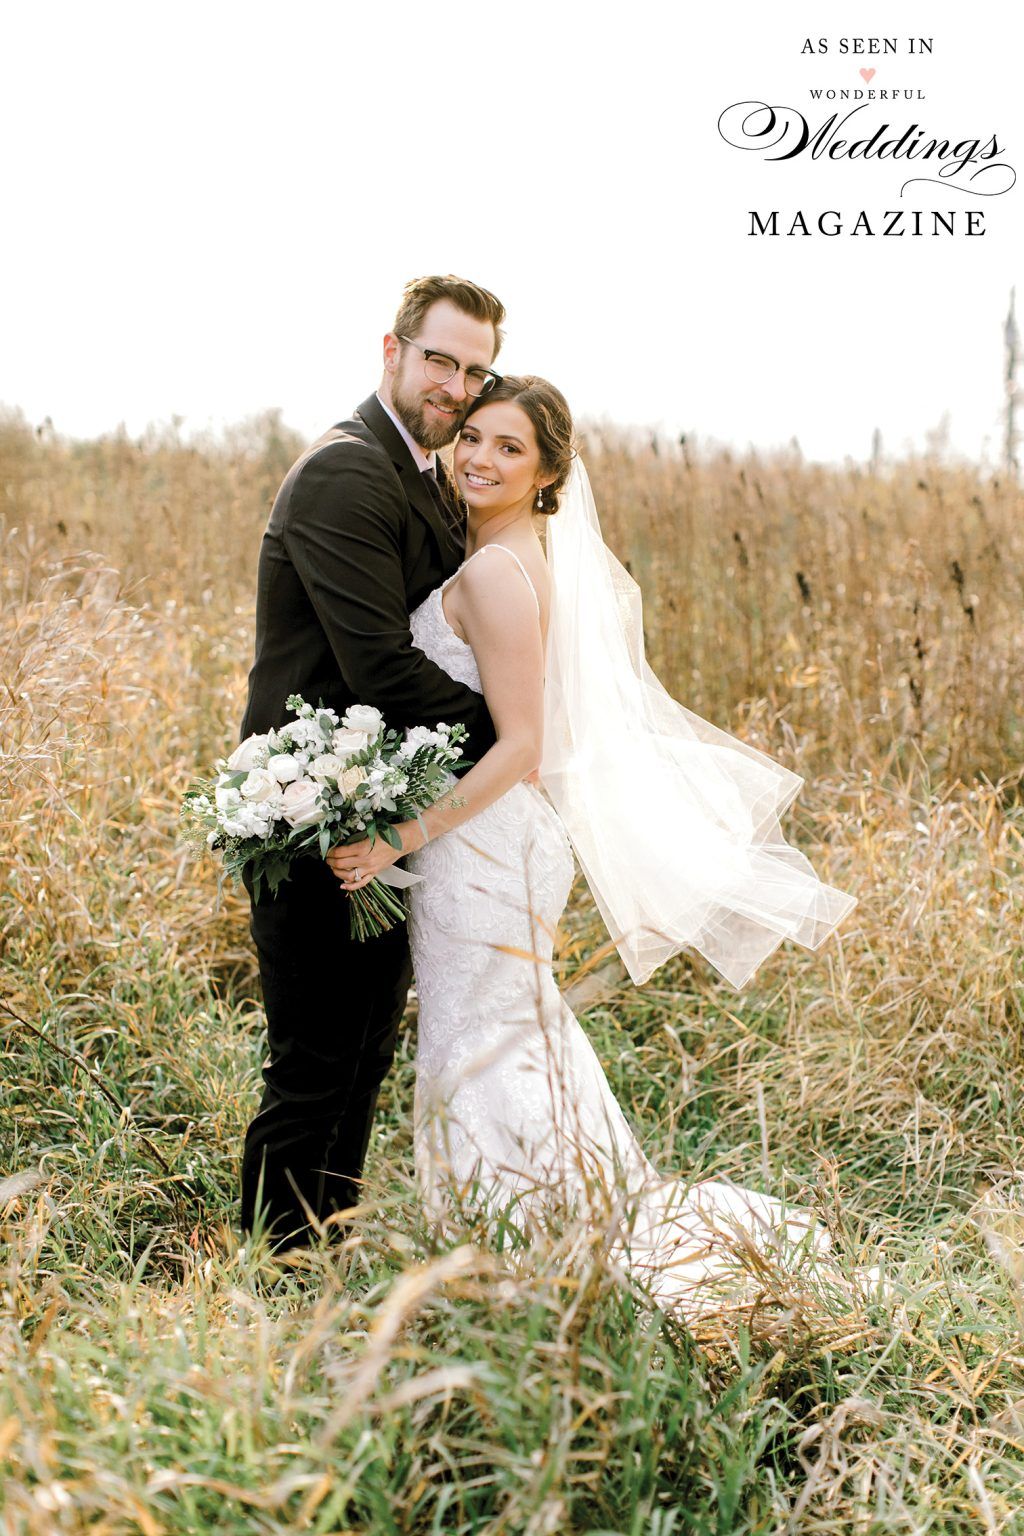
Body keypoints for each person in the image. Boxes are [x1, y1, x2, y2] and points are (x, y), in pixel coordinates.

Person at [327, 377, 874, 1319]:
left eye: (509, 450)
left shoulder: (498, 572)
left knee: (483, 1034)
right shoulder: (511, 554)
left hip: (483, 845)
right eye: (475, 439)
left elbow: (525, 746)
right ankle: (533, 1230)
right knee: (507, 1025)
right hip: (499, 841)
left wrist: (396, 840)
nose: (481, 460)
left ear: (547, 477)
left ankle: (519, 1248)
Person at [238, 275, 506, 1253]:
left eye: (477, 371)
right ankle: (271, 1284)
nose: (456, 386)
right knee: (312, 1063)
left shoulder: (428, 479)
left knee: (362, 1054)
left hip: (379, 810)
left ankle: (321, 1256)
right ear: (390, 352)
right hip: (307, 811)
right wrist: (515, 735)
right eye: (441, 359)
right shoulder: (346, 473)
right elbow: (382, 669)